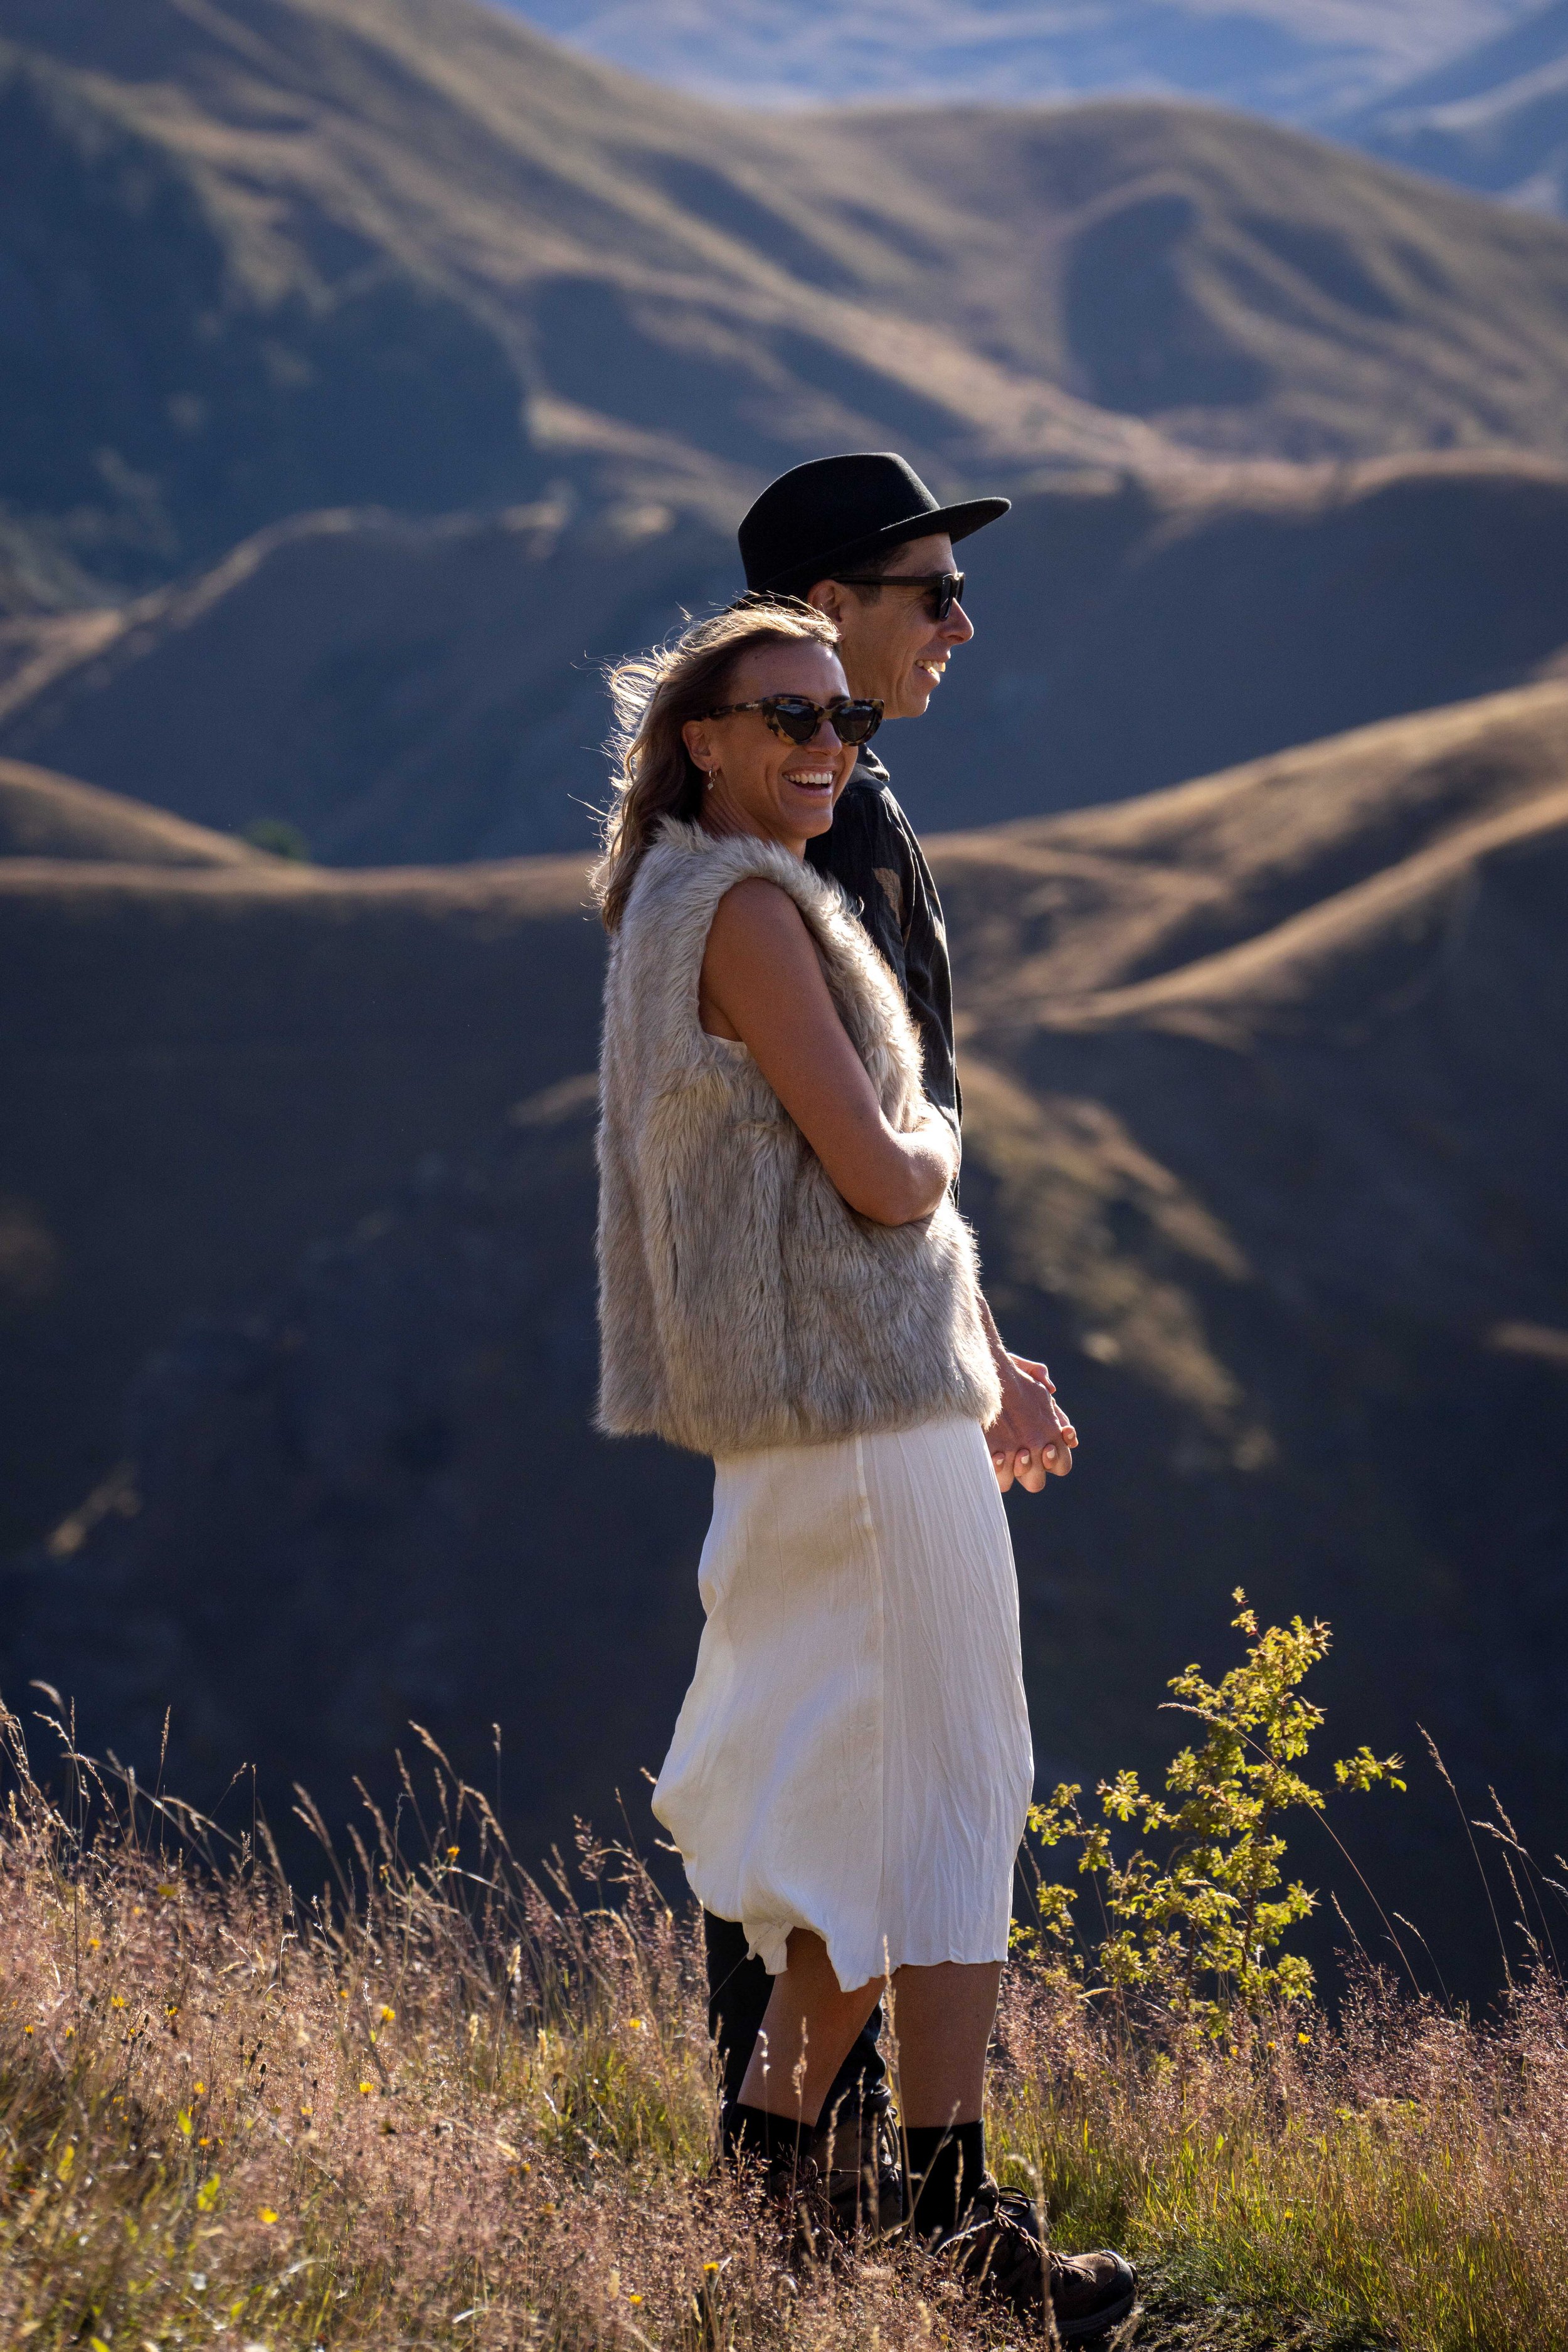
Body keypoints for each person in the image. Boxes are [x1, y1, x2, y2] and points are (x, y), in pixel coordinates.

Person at [593, 598, 1136, 2338]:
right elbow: (886, 1180)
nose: (826, 748)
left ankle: (776, 2175)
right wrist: (932, 1150)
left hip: (804, 1423)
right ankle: (952, 2213)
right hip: (866, 1422)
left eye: (843, 724)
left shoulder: (677, 900)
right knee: (955, 1790)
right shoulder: (748, 909)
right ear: (703, 736)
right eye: (785, 717)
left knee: (859, 1811)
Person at [707, 451, 1076, 2220]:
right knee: (903, 1768)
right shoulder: (810, 837)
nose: (959, 621)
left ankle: (835, 2197)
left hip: (861, 1362)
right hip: (855, 1378)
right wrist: (970, 1349)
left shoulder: (839, 813)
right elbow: (872, 1144)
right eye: (927, 591)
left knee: (857, 1761)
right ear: (827, 610)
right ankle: (880, 2203)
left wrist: (981, 1345)